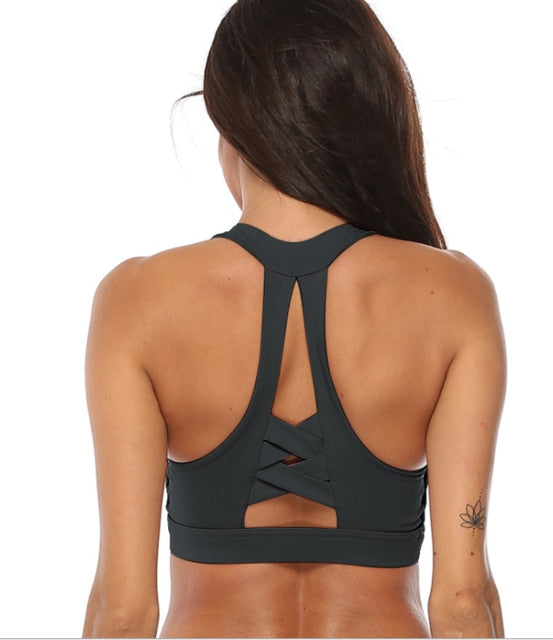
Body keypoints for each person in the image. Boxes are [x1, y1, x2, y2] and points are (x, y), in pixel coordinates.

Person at [82, 0, 506, 637]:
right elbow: (463, 602)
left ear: (230, 123)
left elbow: (124, 612)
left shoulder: (138, 300)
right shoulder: (453, 295)